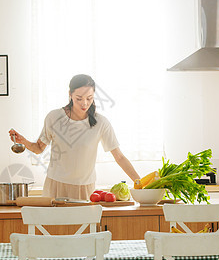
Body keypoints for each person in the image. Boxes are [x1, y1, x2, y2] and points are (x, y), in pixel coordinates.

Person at [9, 74, 140, 200]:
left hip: (85, 187)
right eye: (79, 98)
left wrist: (140, 183)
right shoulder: (54, 117)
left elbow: (119, 157)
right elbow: (38, 148)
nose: (84, 103)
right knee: (54, 223)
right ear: (70, 94)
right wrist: (23, 141)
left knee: (85, 223)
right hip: (56, 185)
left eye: (89, 98)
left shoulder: (101, 123)